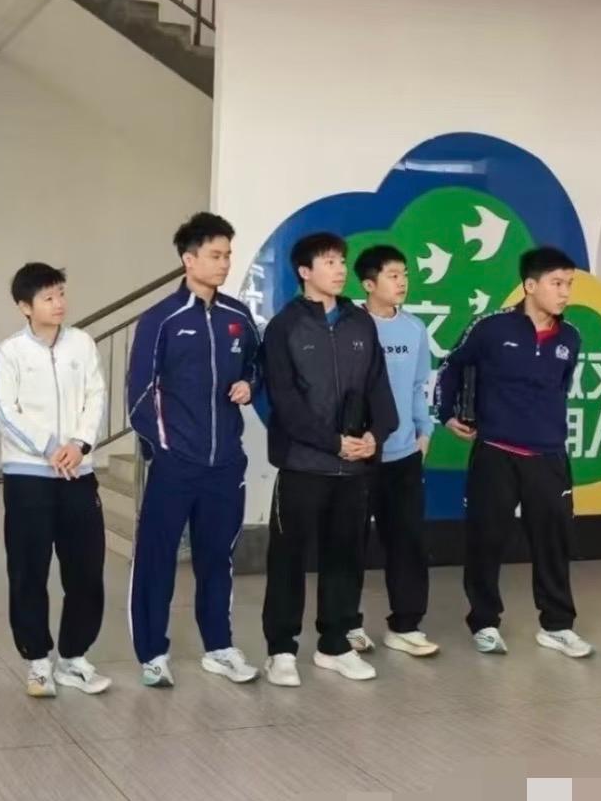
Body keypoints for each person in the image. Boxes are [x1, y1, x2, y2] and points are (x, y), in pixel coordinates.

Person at [126, 212, 262, 689]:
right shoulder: (160, 319)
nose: (224, 263)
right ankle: (152, 653)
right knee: (157, 558)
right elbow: (139, 396)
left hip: (225, 463)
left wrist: (249, 384)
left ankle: (219, 647)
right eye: (215, 255)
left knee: (217, 559)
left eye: (228, 255)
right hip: (175, 463)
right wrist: (162, 450)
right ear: (189, 259)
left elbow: (258, 366)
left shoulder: (238, 316)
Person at [435, 247, 592, 658]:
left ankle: (557, 626)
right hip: (495, 453)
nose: (565, 292)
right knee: (486, 541)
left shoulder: (571, 337)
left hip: (548, 456)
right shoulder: (490, 327)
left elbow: (560, 387)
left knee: (553, 543)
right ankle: (485, 622)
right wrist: (446, 414)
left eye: (569, 284)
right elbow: (452, 366)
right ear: (530, 285)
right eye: (557, 283)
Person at [260, 232, 398, 687]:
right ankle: (281, 650)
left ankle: (335, 645)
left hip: (353, 468)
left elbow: (380, 389)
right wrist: (333, 442)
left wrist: (375, 435)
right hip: (303, 465)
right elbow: (285, 402)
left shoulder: (360, 323)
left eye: (341, 261)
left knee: (346, 558)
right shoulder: (284, 327)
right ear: (305, 271)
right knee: (288, 560)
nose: (339, 270)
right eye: (329, 262)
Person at [0, 263, 111, 697]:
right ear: (25, 306)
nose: (59, 303)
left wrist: (79, 444)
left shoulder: (82, 343)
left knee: (86, 569)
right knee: (28, 569)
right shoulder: (10, 352)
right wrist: (49, 447)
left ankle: (74, 657)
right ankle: (38, 660)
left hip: (78, 472)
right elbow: (3, 410)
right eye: (48, 297)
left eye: (61, 293)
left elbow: (96, 396)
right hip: (29, 477)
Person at [347, 245, 438, 657]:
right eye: (393, 275)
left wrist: (424, 431)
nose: (402, 282)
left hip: (403, 455)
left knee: (407, 541)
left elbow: (418, 386)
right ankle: (347, 624)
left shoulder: (414, 329)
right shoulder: (349, 327)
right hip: (357, 456)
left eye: (405, 274)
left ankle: (405, 625)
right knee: (349, 541)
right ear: (369, 284)